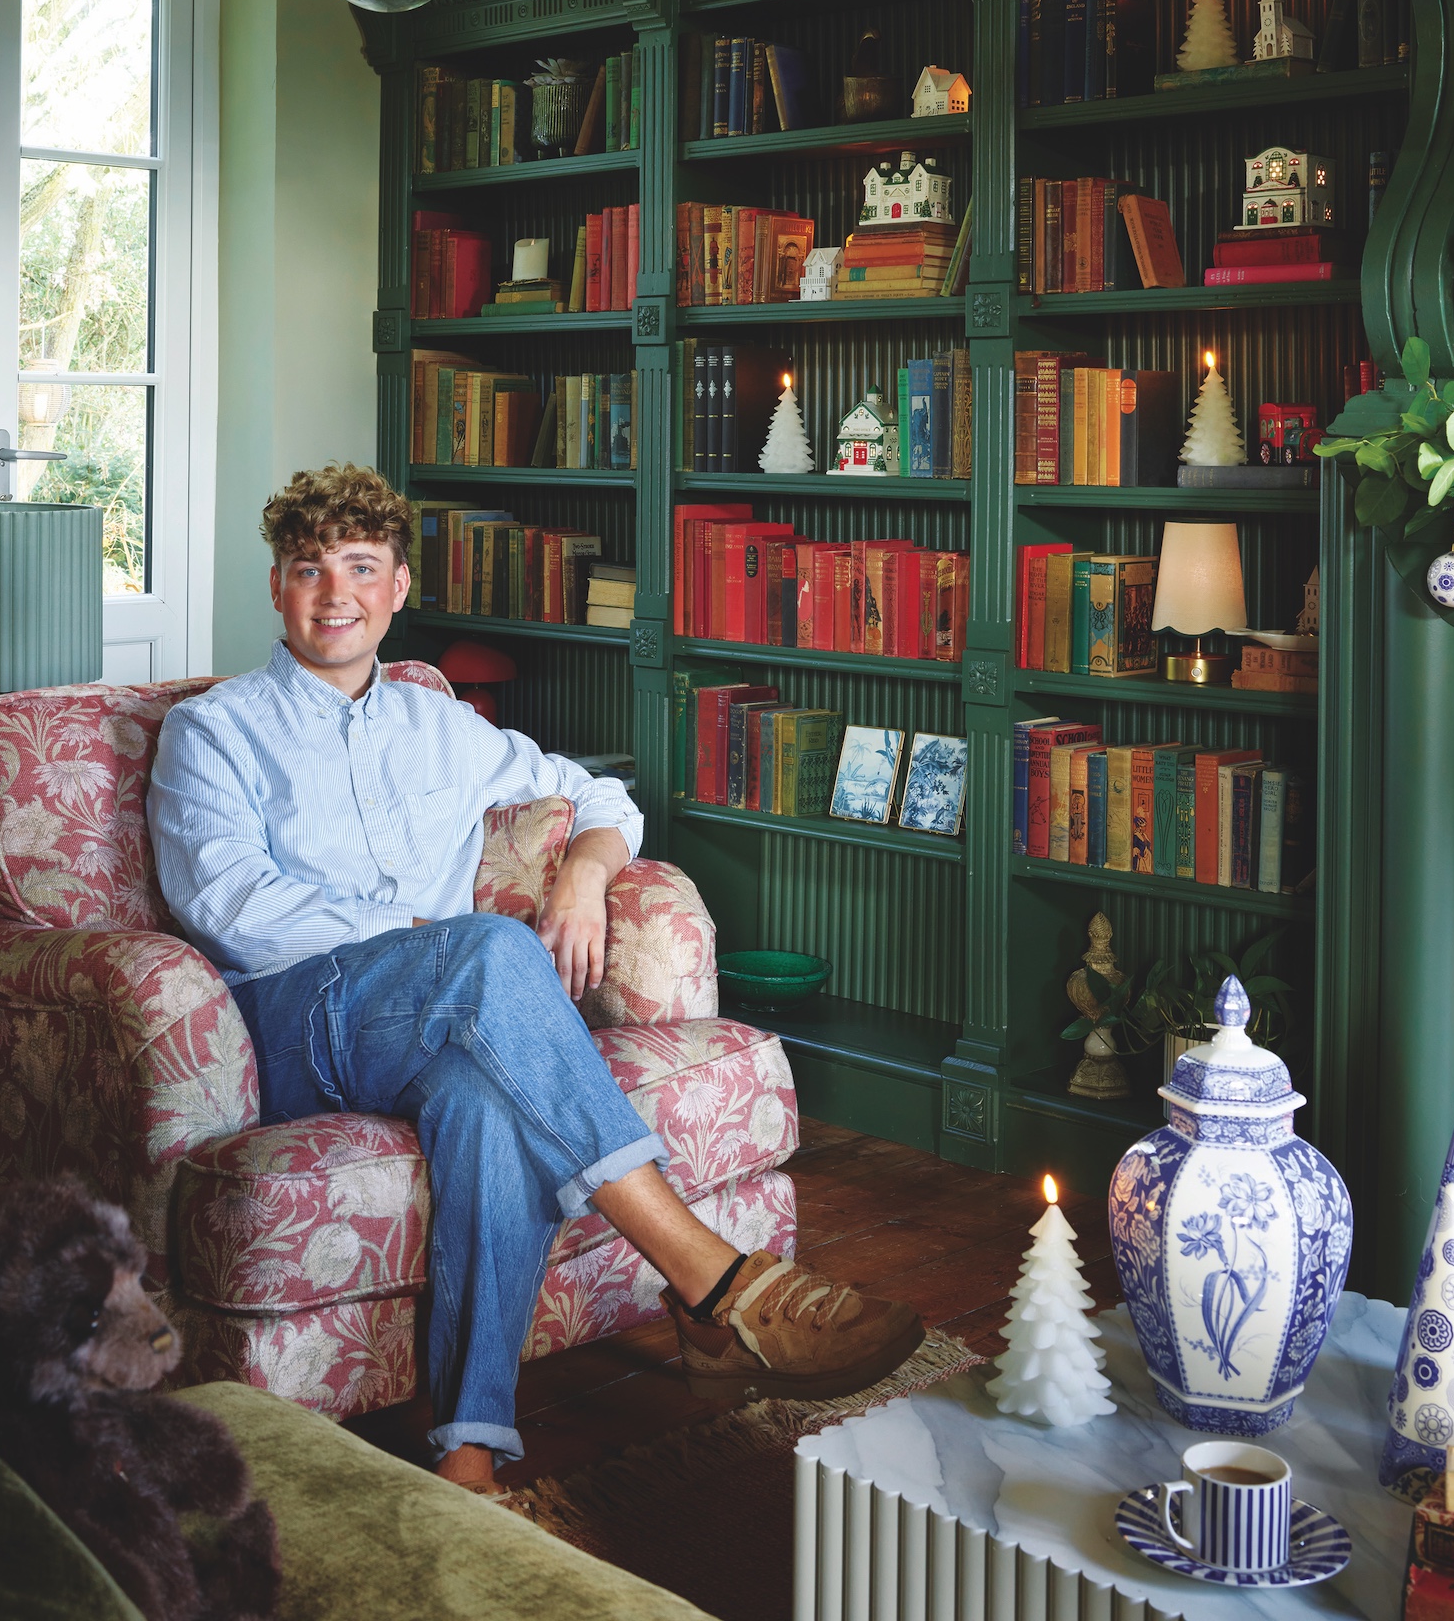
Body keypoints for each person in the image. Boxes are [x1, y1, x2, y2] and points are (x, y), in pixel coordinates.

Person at [148, 463, 921, 1494]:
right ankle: (709, 1278)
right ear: (277, 588)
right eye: (307, 569)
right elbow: (228, 901)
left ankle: (469, 1452)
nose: (334, 592)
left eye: (360, 566)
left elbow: (597, 793)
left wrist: (587, 879)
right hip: (292, 1017)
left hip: (429, 1017)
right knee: (487, 951)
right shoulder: (215, 728)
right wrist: (426, 933)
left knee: (484, 1103)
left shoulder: (442, 725)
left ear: (397, 586)